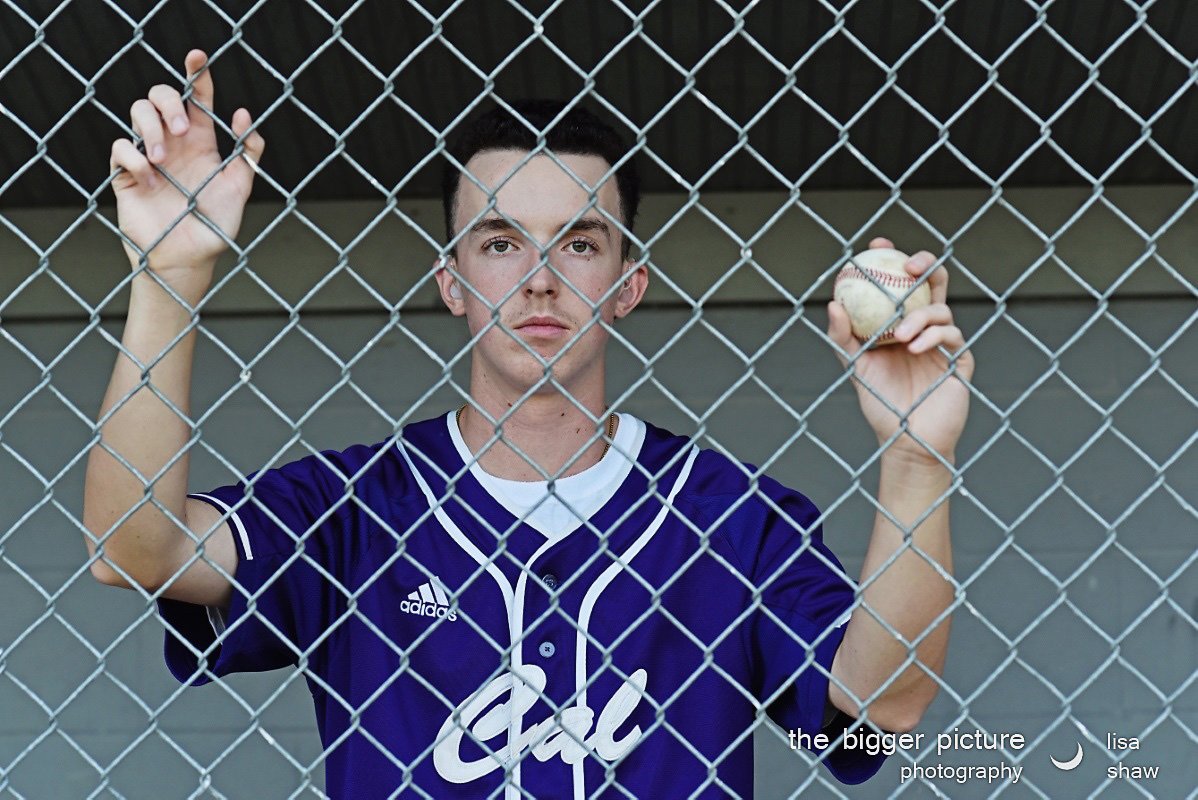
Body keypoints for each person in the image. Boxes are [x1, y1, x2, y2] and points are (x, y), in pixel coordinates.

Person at [83, 50, 975, 798]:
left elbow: (877, 715)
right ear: (453, 281)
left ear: (629, 286)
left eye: (580, 243)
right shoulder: (354, 507)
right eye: (502, 242)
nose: (540, 278)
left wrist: (916, 460)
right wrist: (167, 281)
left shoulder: (732, 516)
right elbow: (133, 549)